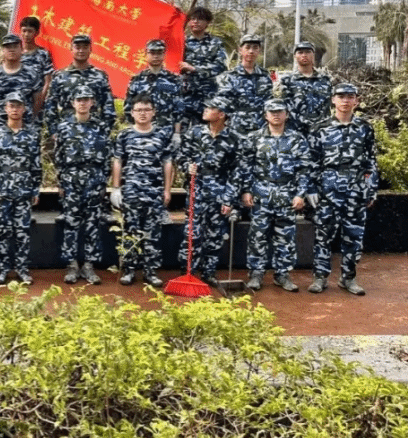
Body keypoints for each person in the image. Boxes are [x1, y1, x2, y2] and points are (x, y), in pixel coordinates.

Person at [307, 83, 379, 296]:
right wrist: (311, 188)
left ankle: (348, 278)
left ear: (356, 100)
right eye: (341, 96)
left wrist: (371, 189)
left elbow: (371, 161)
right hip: (328, 188)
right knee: (324, 234)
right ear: (333, 100)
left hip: (356, 188)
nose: (345, 100)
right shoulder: (320, 128)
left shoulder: (365, 128)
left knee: (353, 235)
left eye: (350, 96)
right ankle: (320, 277)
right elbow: (312, 161)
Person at [241, 99, 312, 292]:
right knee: (257, 236)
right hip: (261, 193)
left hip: (286, 193)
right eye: (271, 112)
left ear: (286, 115)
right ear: (265, 115)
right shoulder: (254, 138)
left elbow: (304, 169)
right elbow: (246, 166)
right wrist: (246, 190)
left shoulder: (297, 139)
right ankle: (256, 273)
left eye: (280, 111)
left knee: (285, 237)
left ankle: (282, 274)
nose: (276, 115)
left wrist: (300, 194)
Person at [176, 95, 243, 287]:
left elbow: (237, 171)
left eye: (210, 108)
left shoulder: (233, 139)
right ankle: (188, 271)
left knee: (215, 235)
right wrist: (187, 166)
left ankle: (209, 272)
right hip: (197, 189)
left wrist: (229, 199)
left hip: (220, 191)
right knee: (192, 234)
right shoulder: (194, 133)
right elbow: (181, 156)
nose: (205, 110)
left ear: (221, 114)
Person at [110, 94, 173, 287]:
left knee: (153, 234)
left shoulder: (162, 135)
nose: (142, 114)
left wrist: (167, 190)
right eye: (138, 110)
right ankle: (129, 270)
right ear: (132, 113)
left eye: (147, 110)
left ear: (153, 112)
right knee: (131, 232)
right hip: (131, 191)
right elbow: (118, 161)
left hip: (154, 192)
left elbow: (168, 163)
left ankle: (150, 271)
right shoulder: (124, 135)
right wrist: (116, 188)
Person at [54, 86, 111, 285]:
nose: (83, 103)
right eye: (79, 99)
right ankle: (71, 265)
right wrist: (60, 182)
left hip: (94, 179)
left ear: (92, 102)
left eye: (87, 99)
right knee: (71, 222)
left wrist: (104, 181)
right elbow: (59, 156)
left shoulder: (100, 126)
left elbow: (107, 156)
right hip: (71, 179)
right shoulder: (64, 127)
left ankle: (89, 265)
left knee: (92, 223)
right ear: (73, 103)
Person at [0, 91, 41, 285]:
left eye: (18, 106)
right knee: (2, 230)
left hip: (24, 188)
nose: (15, 109)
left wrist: (35, 189)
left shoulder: (31, 134)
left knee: (22, 231)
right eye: (11, 106)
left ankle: (22, 268)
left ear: (24, 109)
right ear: (5, 109)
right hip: (3, 188)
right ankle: (2, 269)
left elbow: (36, 164)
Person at [44, 34, 114, 137]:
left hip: (94, 131)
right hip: (67, 131)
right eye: (77, 47)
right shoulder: (60, 76)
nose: (81, 51)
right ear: (71, 49)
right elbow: (50, 105)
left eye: (85, 47)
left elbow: (108, 105)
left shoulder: (100, 76)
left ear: (90, 50)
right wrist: (54, 132)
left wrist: (105, 130)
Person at [124, 39, 183, 142]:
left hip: (166, 131)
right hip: (142, 130)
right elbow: (129, 107)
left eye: (159, 53)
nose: (156, 56)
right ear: (146, 54)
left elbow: (179, 109)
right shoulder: (137, 79)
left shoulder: (174, 79)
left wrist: (177, 134)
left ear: (164, 54)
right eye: (152, 53)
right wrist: (133, 129)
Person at [216, 34, 274, 137]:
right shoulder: (229, 76)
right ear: (240, 50)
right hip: (236, 128)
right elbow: (223, 105)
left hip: (261, 128)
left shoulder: (265, 76)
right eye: (247, 47)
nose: (251, 51)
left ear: (259, 51)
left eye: (255, 48)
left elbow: (269, 102)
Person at [179, 6, 227, 127]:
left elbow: (220, 66)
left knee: (205, 132)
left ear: (207, 22)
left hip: (207, 96)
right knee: (181, 132)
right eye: (193, 19)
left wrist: (195, 69)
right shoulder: (182, 42)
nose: (195, 22)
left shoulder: (215, 43)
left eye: (200, 19)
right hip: (185, 95)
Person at [0, 33, 44, 126]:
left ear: (21, 50)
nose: (11, 50)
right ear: (2, 50)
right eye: (8, 47)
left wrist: (30, 121)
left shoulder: (32, 75)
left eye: (15, 46)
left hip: (25, 127)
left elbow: (38, 102)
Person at [277, 41, 333, 134]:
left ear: (313, 55)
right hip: (296, 131)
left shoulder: (325, 79)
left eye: (308, 52)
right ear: (295, 56)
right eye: (300, 52)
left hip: (321, 131)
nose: (304, 55)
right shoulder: (287, 80)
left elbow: (328, 105)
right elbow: (285, 106)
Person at [19, 16, 54, 101]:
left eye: (30, 31)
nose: (26, 34)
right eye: (24, 31)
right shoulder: (15, 53)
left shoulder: (43, 54)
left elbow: (48, 82)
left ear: (37, 33)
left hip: (35, 100)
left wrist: (39, 102)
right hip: (16, 101)